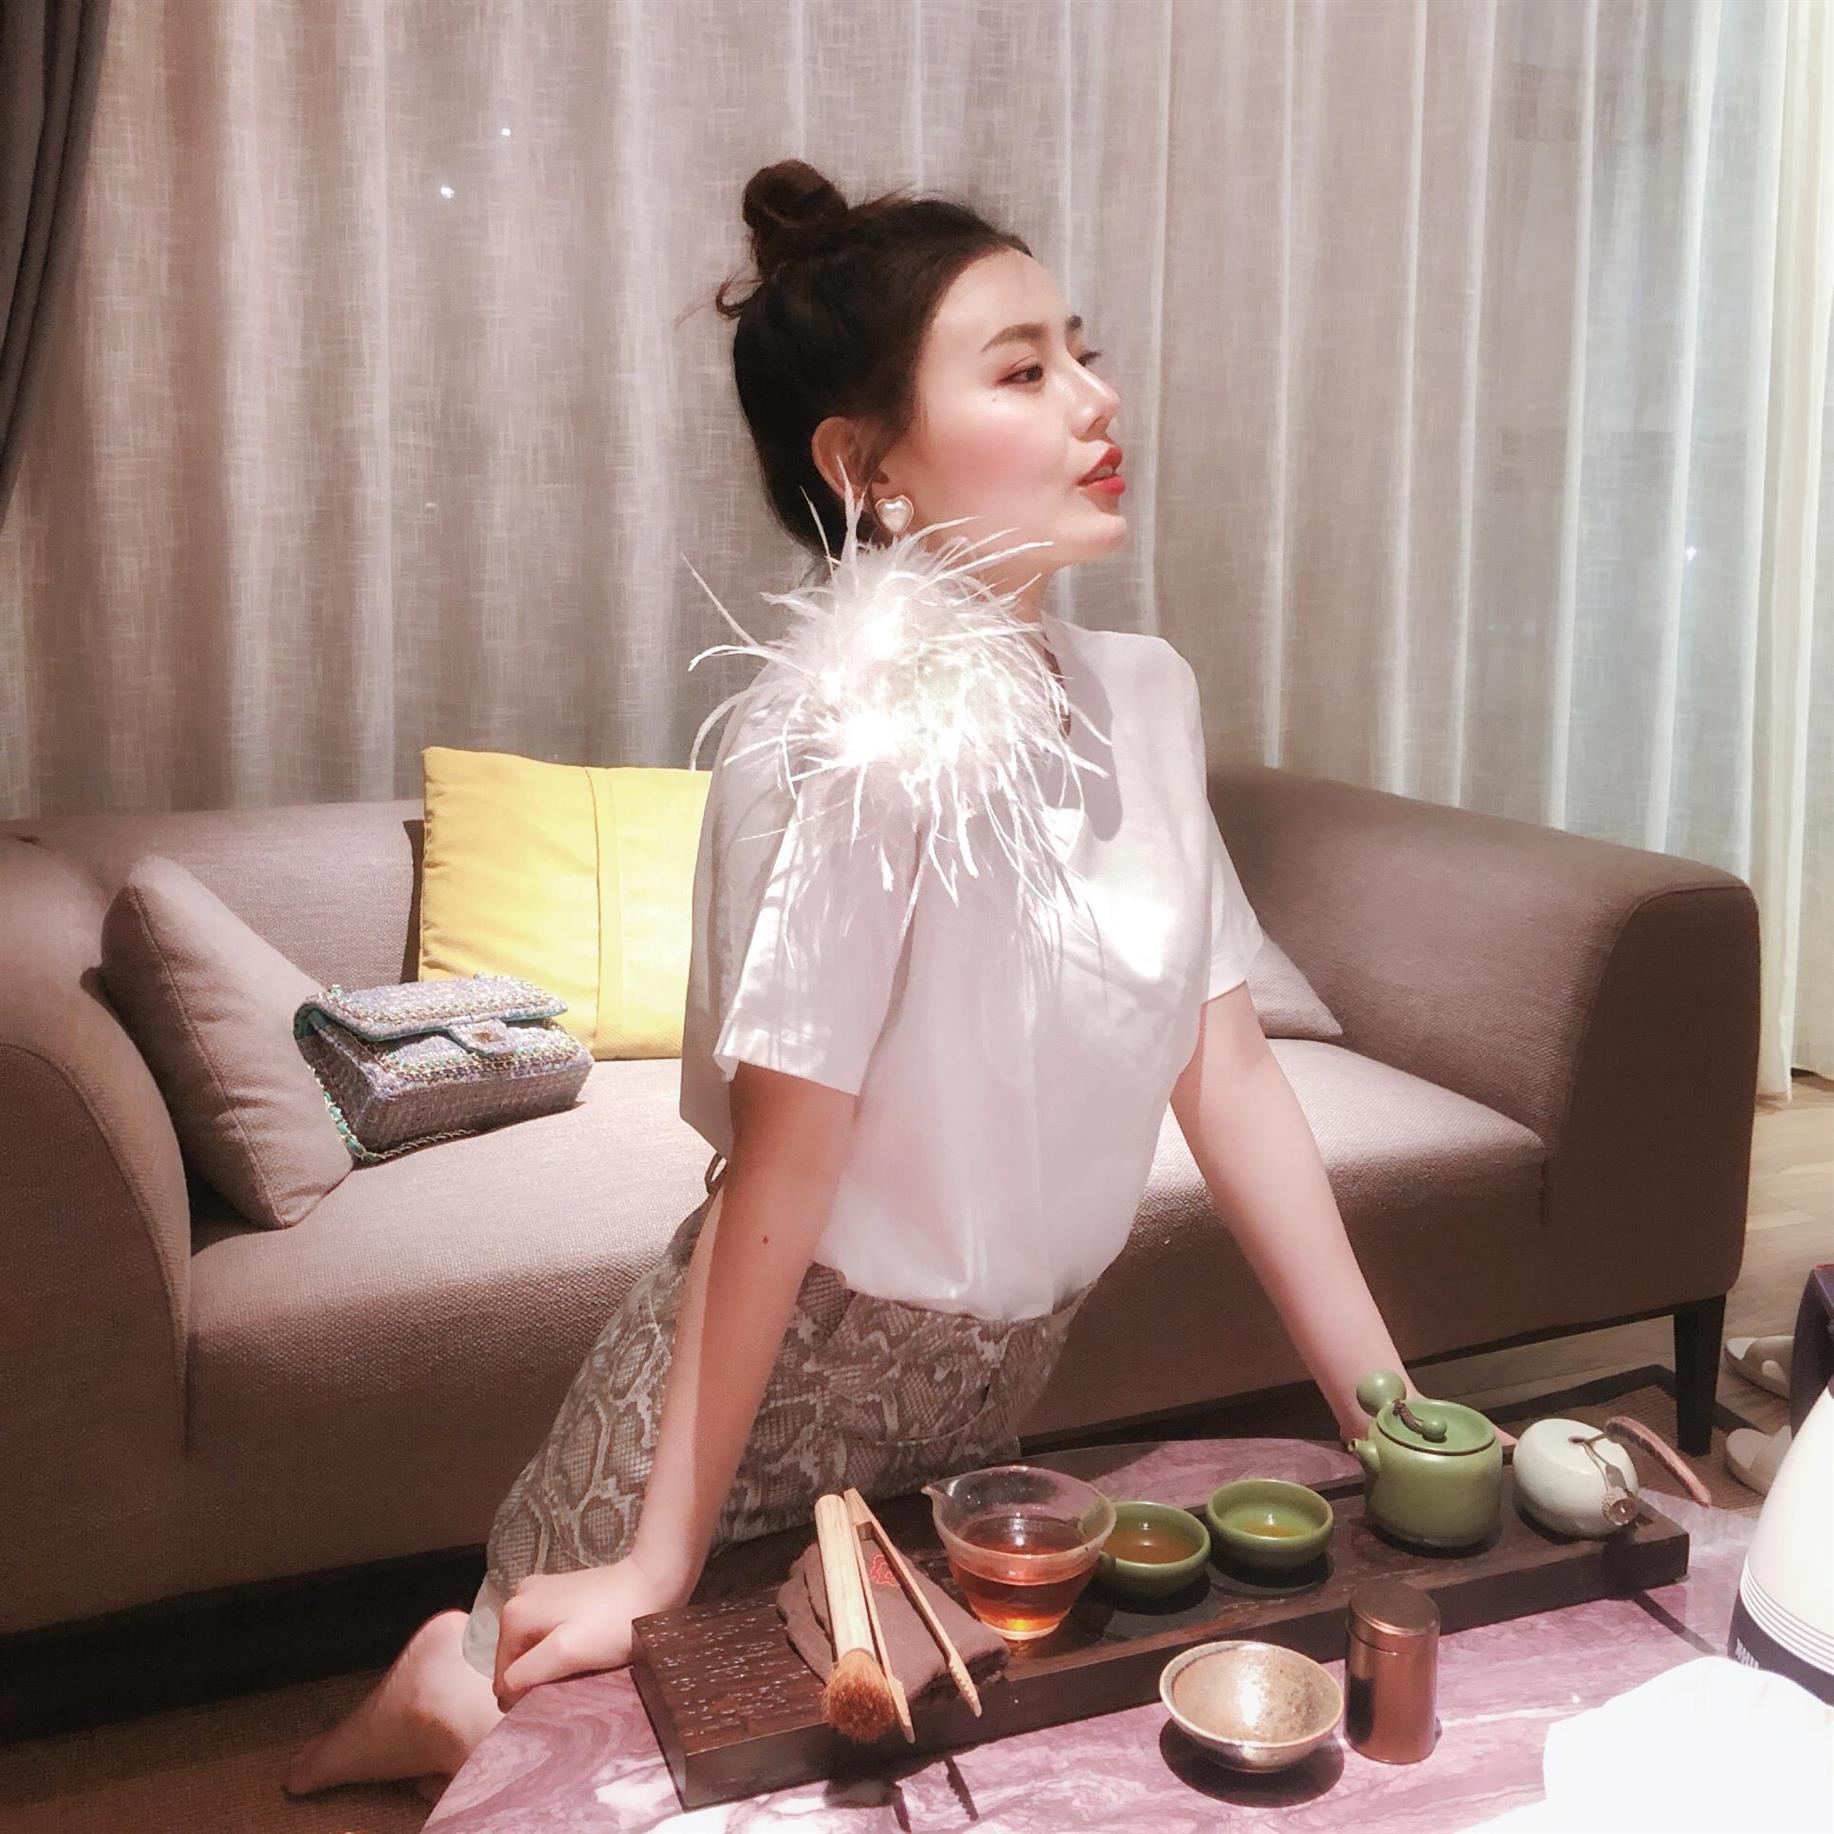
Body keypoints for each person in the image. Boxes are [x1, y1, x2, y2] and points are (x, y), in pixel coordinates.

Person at [284, 157, 1446, 1805]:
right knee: (566, 1747)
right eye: (1021, 370)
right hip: (759, 1397)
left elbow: (1230, 1070)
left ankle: (452, 1683)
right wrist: (655, 1561)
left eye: (1081, 350)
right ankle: (439, 1681)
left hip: (979, 1404)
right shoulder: (840, 731)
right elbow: (781, 1165)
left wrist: (1389, 1417)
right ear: (864, 466)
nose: (1095, 399)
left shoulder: (1146, 694)